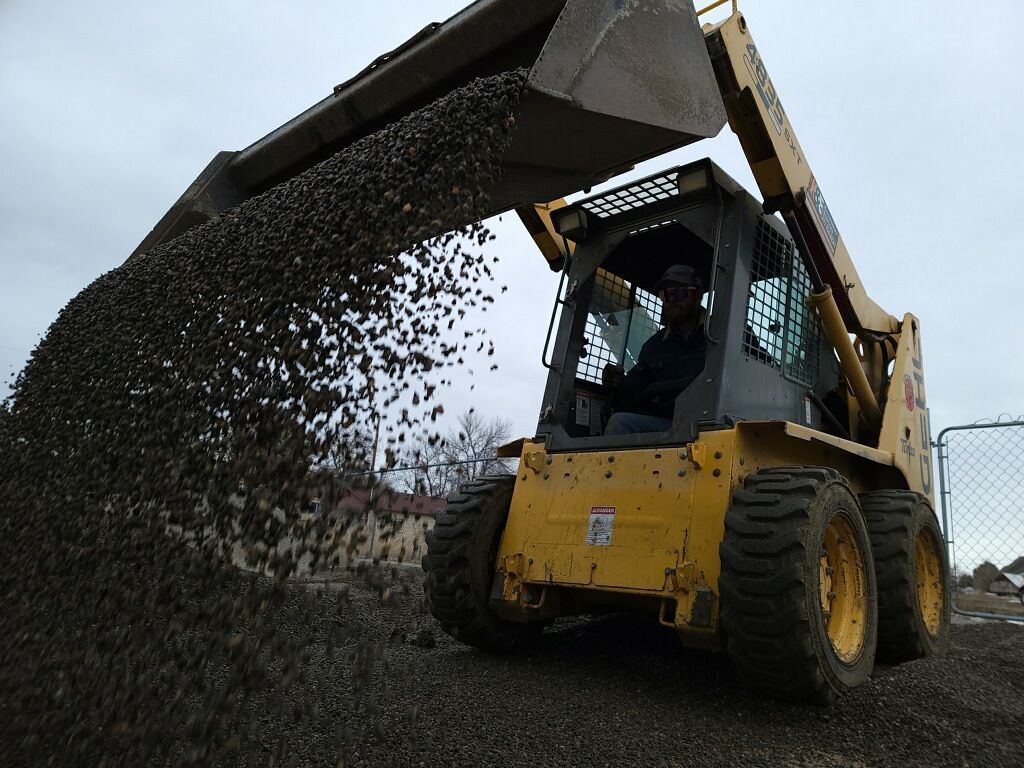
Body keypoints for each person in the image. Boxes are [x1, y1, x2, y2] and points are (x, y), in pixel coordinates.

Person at [602, 264, 707, 436]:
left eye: (679, 293)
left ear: (697, 295)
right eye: (665, 294)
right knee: (620, 423)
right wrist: (616, 383)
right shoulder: (653, 347)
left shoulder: (723, 333)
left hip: (715, 425)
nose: (671, 299)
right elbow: (632, 394)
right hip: (670, 427)